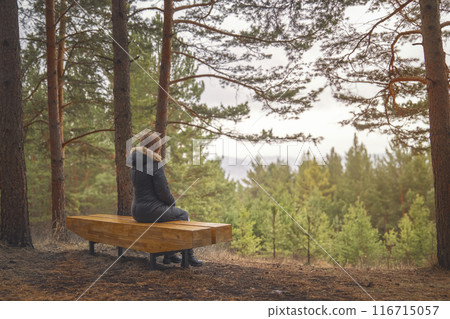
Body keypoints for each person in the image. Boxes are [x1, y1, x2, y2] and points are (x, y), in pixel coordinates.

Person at [128, 131, 203, 267]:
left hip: (137, 211)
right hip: (150, 210)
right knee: (182, 215)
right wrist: (172, 203)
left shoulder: (135, 163)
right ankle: (189, 255)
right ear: (156, 147)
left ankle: (170, 255)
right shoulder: (154, 164)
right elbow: (163, 191)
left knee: (169, 216)